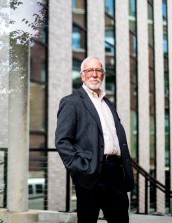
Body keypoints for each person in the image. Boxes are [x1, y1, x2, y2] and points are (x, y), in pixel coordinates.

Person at [55, 56, 134, 223]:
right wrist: (79, 168)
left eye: (98, 70)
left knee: (121, 219)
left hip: (116, 172)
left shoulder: (107, 103)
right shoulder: (71, 102)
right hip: (90, 173)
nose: (94, 74)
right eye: (90, 70)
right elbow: (62, 141)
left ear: (103, 75)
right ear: (82, 75)